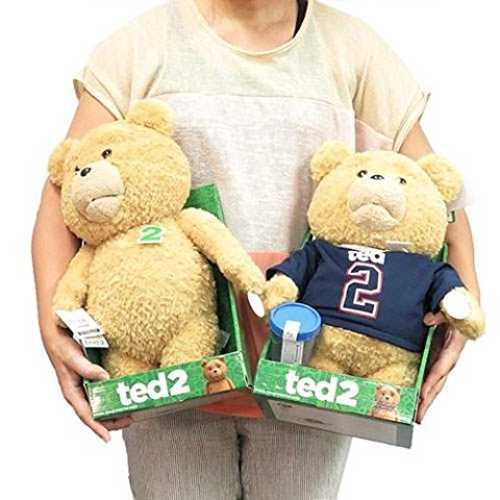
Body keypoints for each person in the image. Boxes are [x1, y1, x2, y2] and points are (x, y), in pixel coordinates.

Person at [32, 1, 481, 498]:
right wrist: (55, 326)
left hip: (308, 369)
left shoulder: (355, 52)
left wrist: (465, 300)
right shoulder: (141, 46)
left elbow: (437, 193)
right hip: (169, 362)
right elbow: (63, 188)